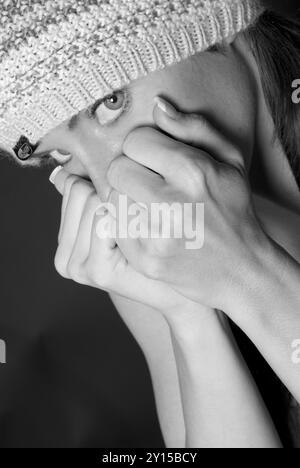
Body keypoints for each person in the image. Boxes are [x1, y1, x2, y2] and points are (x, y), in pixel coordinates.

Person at [1, 0, 299, 447]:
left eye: (110, 102)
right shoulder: (167, 246)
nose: (108, 184)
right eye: (57, 154)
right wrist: (190, 314)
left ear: (217, 23)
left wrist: (247, 270)